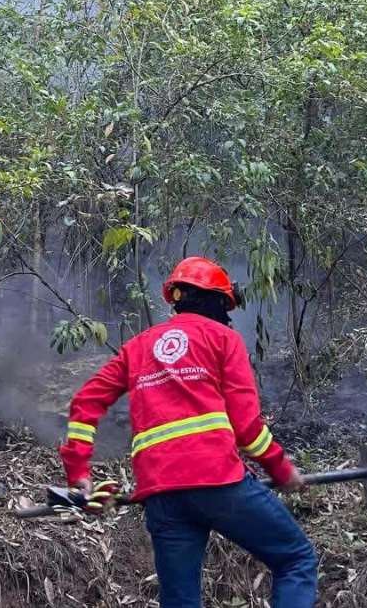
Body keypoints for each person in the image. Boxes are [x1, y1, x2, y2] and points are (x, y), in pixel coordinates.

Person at [59, 256, 318, 608]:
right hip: (219, 484)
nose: (227, 315)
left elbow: (84, 403)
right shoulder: (224, 339)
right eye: (225, 306)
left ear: (177, 300)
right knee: (296, 560)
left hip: (162, 497)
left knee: (180, 602)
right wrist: (282, 470)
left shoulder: (138, 347)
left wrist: (79, 475)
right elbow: (247, 429)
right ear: (215, 301)